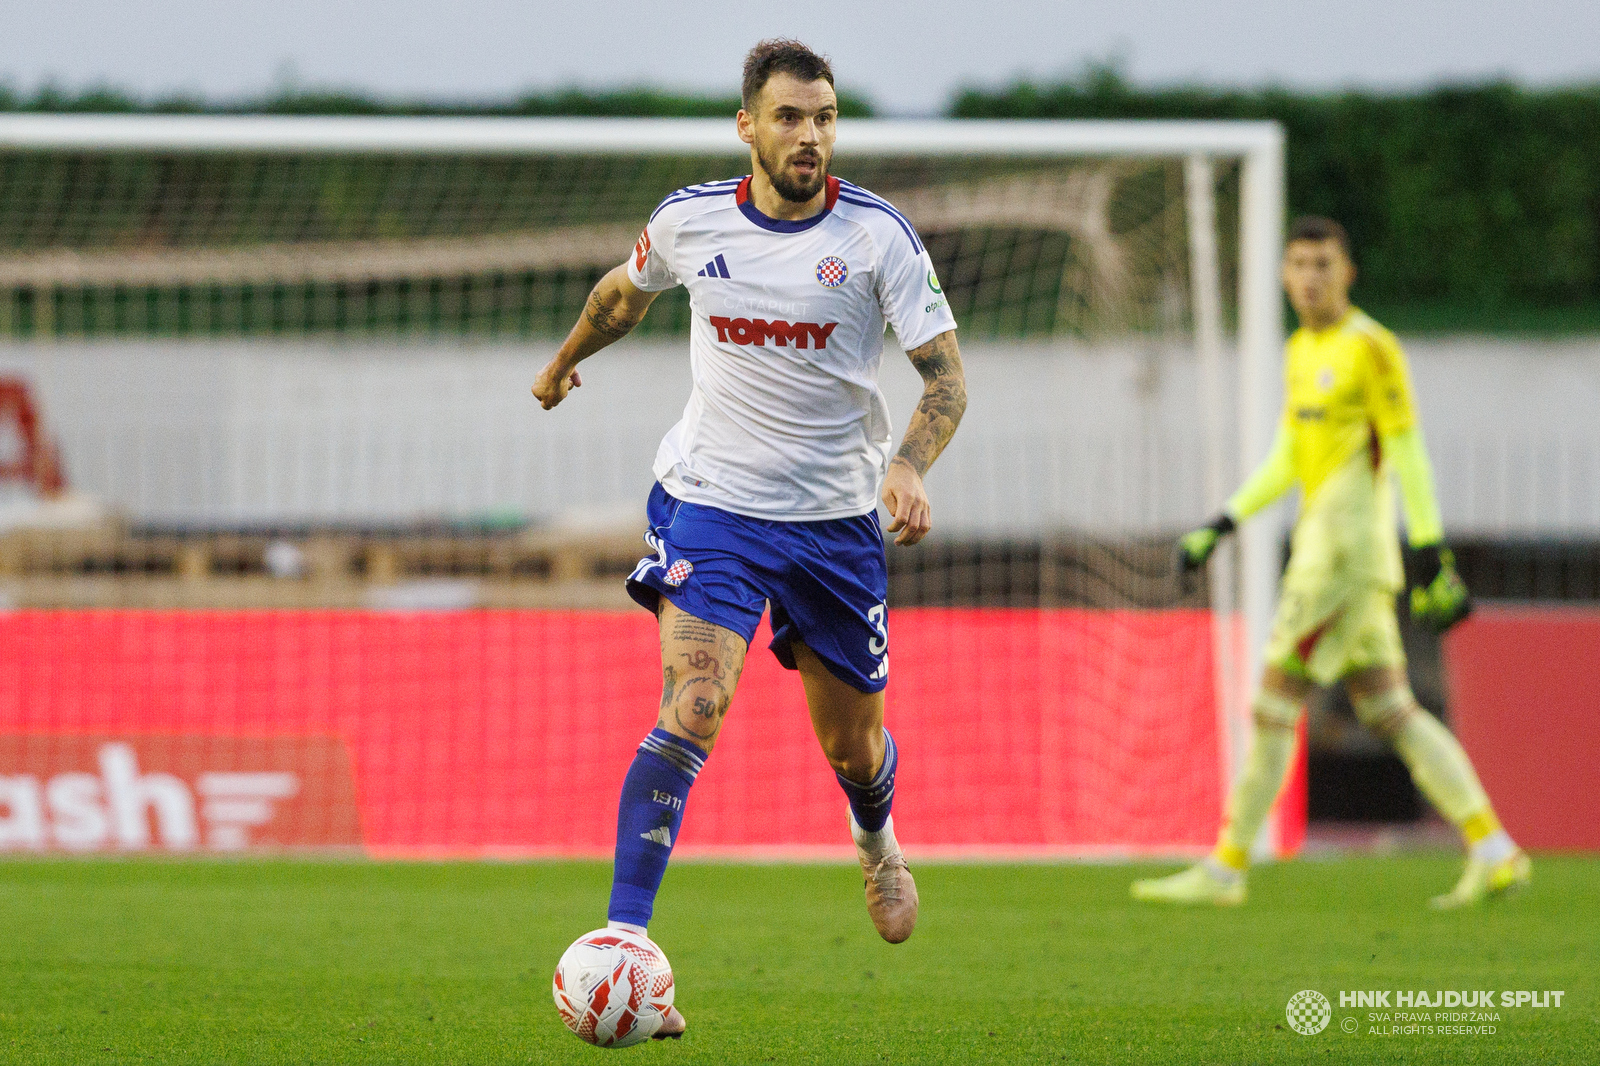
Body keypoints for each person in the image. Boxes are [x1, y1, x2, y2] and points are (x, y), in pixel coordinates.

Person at [532, 39, 966, 1036]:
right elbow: (620, 293)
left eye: (822, 118)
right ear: (748, 126)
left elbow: (944, 378)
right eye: (787, 117)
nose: (807, 135)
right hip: (711, 501)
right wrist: (561, 363)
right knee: (694, 702)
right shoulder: (689, 220)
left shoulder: (877, 237)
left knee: (852, 746)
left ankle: (876, 839)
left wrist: (908, 465)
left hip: (833, 523)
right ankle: (624, 940)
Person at [1132, 216, 1528, 910]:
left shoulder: (1371, 348)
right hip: (1338, 555)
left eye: (1323, 264)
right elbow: (1291, 454)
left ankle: (1226, 867)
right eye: (1299, 264)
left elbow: (1407, 450)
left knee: (1272, 703)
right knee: (1391, 708)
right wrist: (1222, 522)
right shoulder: (1299, 349)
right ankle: (1494, 848)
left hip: (1340, 557)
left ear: (1348, 272)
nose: (1310, 277)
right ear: (1284, 275)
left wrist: (1433, 552)